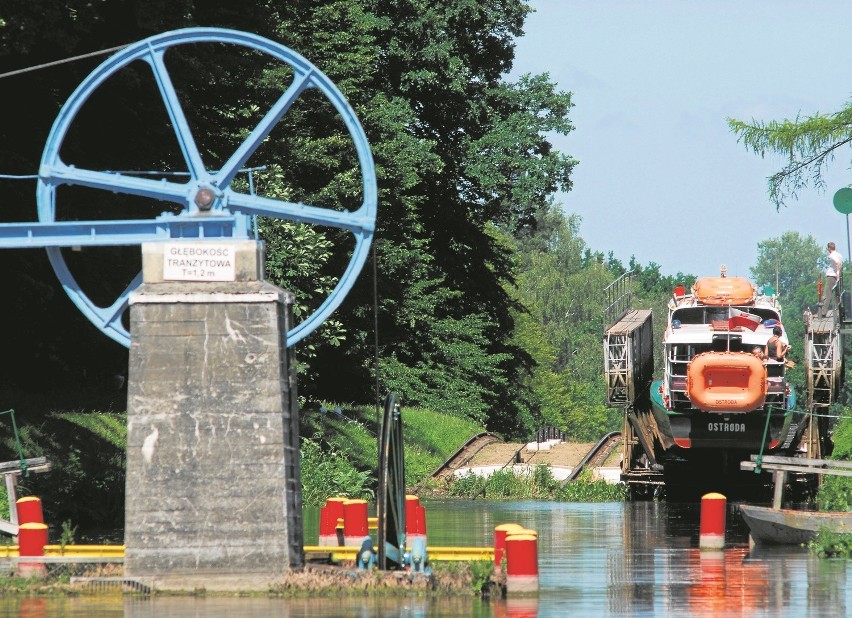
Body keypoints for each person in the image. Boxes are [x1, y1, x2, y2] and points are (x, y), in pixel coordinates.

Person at [822, 241, 843, 314]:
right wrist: (839, 274)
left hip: (831, 276)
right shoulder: (839, 255)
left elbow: (838, 263)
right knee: (837, 293)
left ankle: (823, 312)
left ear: (829, 248)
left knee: (827, 294)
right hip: (836, 277)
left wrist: (837, 273)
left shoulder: (832, 255)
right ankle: (838, 309)